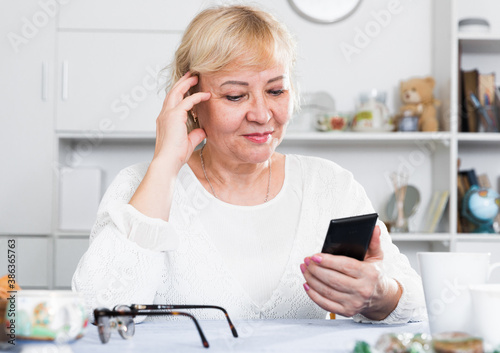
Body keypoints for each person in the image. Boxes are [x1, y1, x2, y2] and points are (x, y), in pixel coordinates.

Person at [72, 4, 427, 323]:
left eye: (276, 91)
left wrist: (378, 294)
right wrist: (165, 163)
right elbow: (97, 310)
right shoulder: (140, 185)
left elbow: (416, 305)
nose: (261, 114)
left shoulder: (330, 185)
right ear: (192, 102)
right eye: (235, 95)